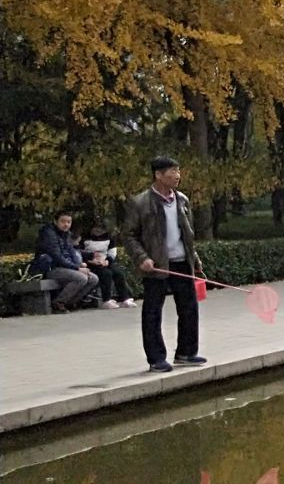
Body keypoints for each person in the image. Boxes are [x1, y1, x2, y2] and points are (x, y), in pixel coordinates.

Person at [124, 156, 206, 373]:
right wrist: (142, 258)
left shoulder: (182, 200)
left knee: (189, 308)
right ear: (158, 175)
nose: (178, 176)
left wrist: (195, 260)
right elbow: (130, 235)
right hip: (157, 264)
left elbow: (188, 235)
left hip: (181, 261)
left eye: (178, 171)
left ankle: (186, 352)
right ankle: (156, 358)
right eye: (173, 172)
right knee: (153, 312)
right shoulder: (140, 203)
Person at [34, 210, 100, 311]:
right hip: (51, 268)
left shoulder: (67, 234)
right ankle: (58, 302)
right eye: (63, 221)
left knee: (93, 278)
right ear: (55, 221)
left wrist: (79, 265)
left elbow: (71, 252)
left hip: (65, 267)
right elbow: (57, 257)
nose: (66, 224)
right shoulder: (48, 234)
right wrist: (77, 268)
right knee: (81, 278)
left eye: (69, 222)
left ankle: (70, 303)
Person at [81, 217, 134, 307]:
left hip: (105, 261)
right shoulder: (85, 238)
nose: (98, 231)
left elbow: (112, 252)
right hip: (90, 263)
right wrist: (90, 260)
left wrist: (107, 261)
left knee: (118, 273)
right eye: (96, 228)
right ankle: (106, 299)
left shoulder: (109, 238)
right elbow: (80, 252)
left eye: (101, 229)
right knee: (106, 274)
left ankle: (124, 298)